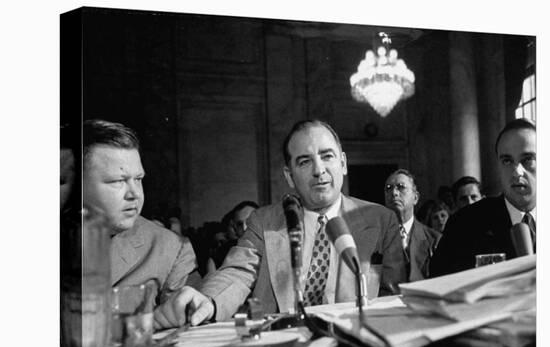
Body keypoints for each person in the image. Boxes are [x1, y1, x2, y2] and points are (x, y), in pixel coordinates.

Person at [155, 119, 406, 328]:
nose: (319, 170)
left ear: (343, 163)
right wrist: (208, 300)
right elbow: (238, 273)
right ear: (289, 176)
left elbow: (395, 297)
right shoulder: (265, 222)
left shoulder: (381, 220)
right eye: (305, 161)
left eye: (327, 156)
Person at [82, 119, 201, 329]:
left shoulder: (170, 249)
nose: (135, 194)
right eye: (117, 181)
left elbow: (192, 332)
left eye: (138, 179)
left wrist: (155, 322)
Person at [430, 118, 536, 276]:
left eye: (527, 160)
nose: (517, 172)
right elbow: (438, 285)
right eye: (507, 161)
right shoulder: (463, 224)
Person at [384, 169, 441, 281]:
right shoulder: (375, 240)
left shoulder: (434, 240)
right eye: (388, 188)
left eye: (401, 187)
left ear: (415, 197)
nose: (394, 193)